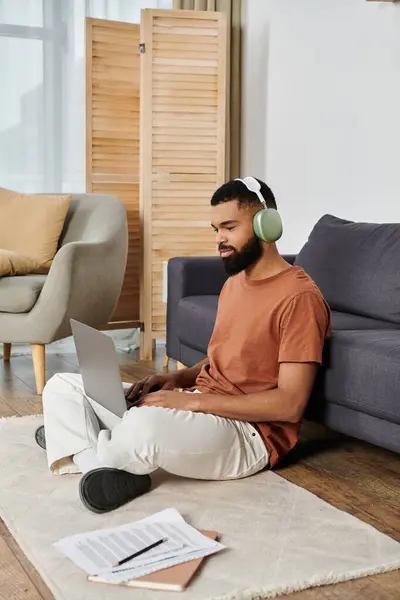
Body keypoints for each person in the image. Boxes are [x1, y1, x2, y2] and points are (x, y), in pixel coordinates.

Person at [36, 177, 331, 514]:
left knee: (143, 426)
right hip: (200, 407)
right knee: (61, 387)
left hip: (248, 436)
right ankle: (96, 455)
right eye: (216, 229)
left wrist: (191, 404)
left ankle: (78, 442)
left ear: (267, 224)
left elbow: (289, 405)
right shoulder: (235, 283)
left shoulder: (300, 298)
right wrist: (180, 380)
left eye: (229, 227)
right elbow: (227, 357)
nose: (220, 239)